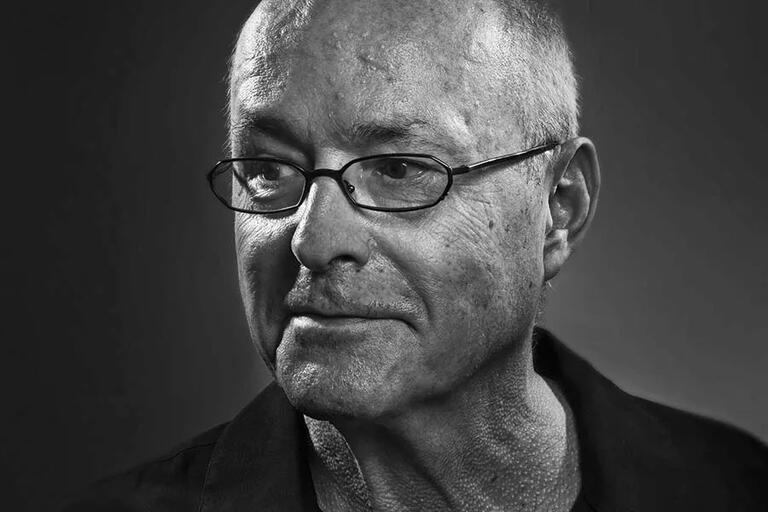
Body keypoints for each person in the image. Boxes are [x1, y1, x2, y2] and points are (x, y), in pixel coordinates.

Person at [66, 0, 768, 510]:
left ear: (558, 206)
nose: (313, 240)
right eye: (269, 169)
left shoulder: (735, 487)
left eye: (399, 169)